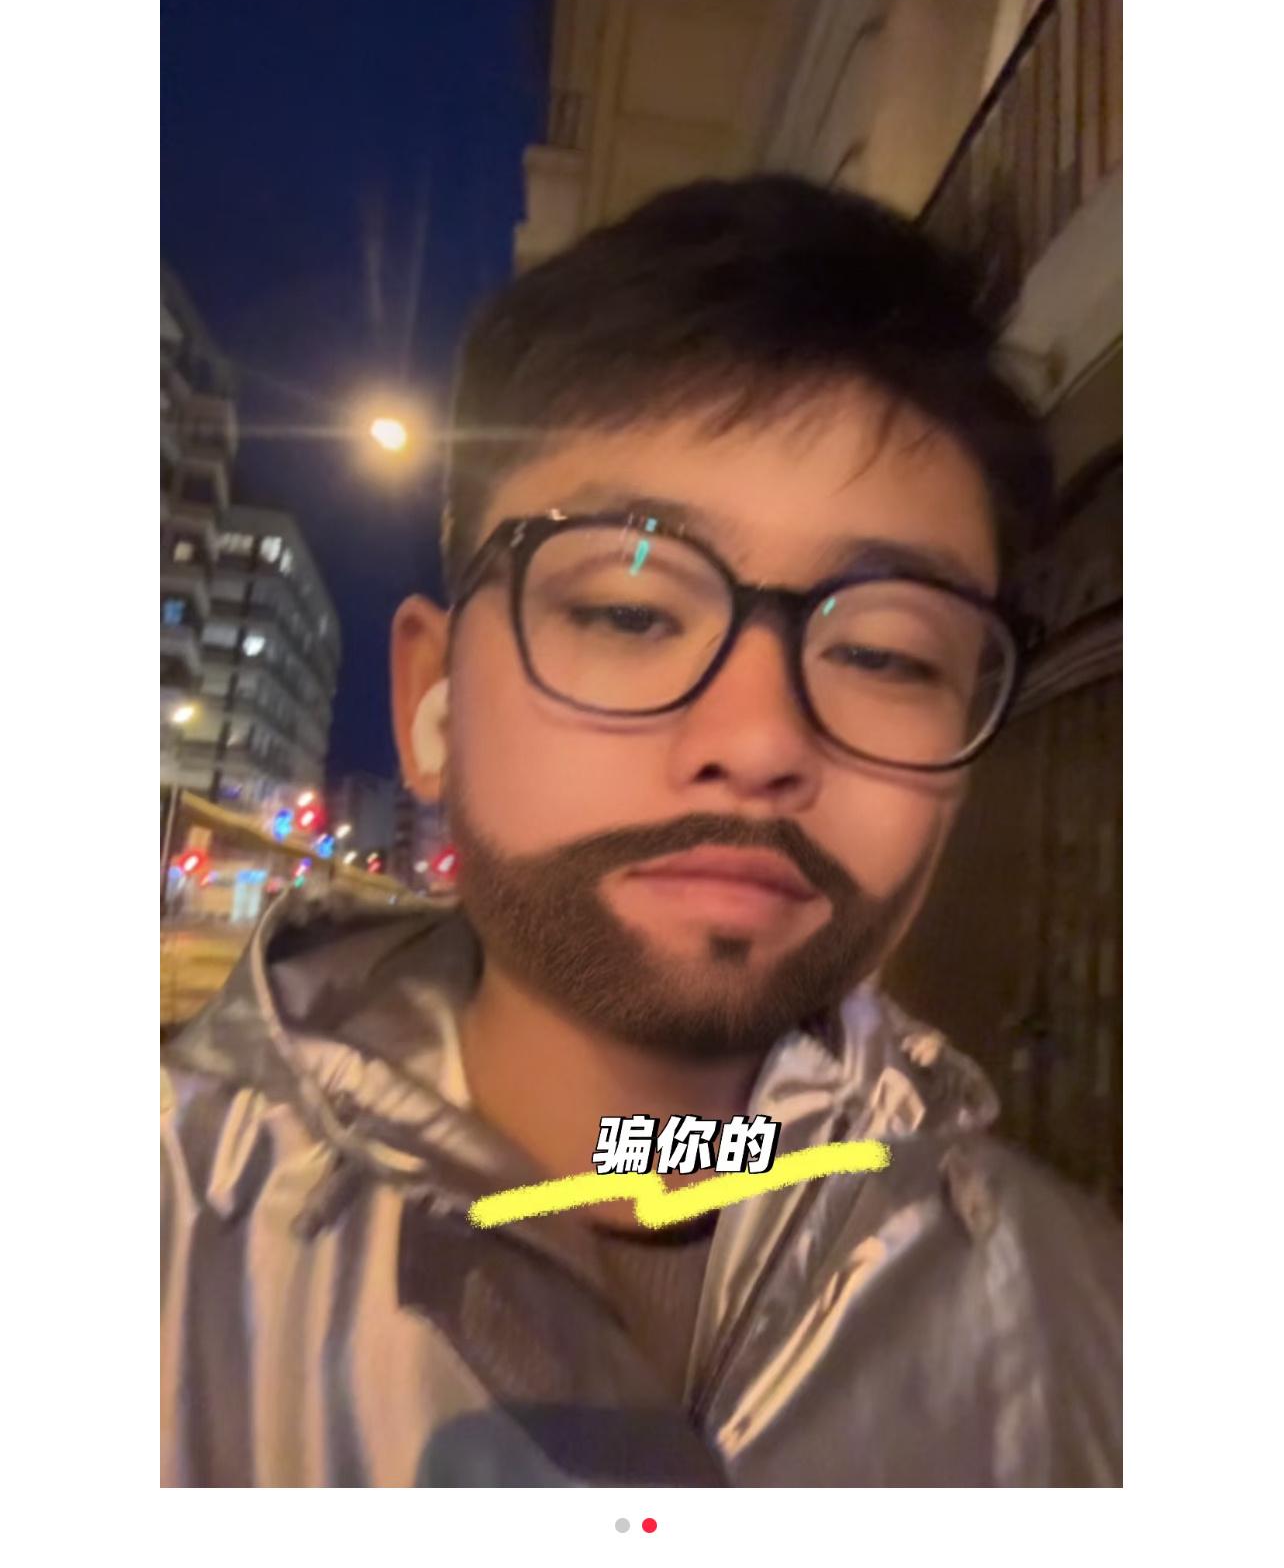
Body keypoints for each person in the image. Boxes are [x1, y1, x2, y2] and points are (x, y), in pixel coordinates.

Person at [161, 176, 1122, 1488]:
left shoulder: (1096, 1325)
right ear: (434, 700)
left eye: (888, 653)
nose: (762, 735)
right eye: (628, 613)